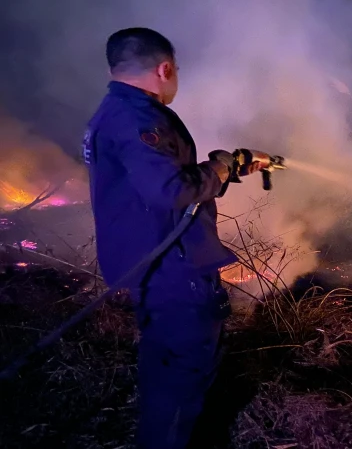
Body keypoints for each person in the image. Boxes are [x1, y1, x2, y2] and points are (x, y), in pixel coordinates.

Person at [82, 27, 269, 448]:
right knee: (183, 380)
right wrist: (219, 168)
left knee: (164, 368)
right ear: (165, 68)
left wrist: (226, 170)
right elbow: (170, 191)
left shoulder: (114, 111)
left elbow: (158, 183)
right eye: (176, 70)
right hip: (175, 270)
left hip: (153, 265)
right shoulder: (139, 119)